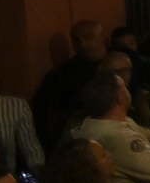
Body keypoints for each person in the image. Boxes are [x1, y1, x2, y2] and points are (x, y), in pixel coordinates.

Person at [34, 20, 109, 149]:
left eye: (88, 38)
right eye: (77, 40)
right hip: (81, 138)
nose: (83, 44)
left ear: (103, 38)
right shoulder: (61, 75)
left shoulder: (120, 63)